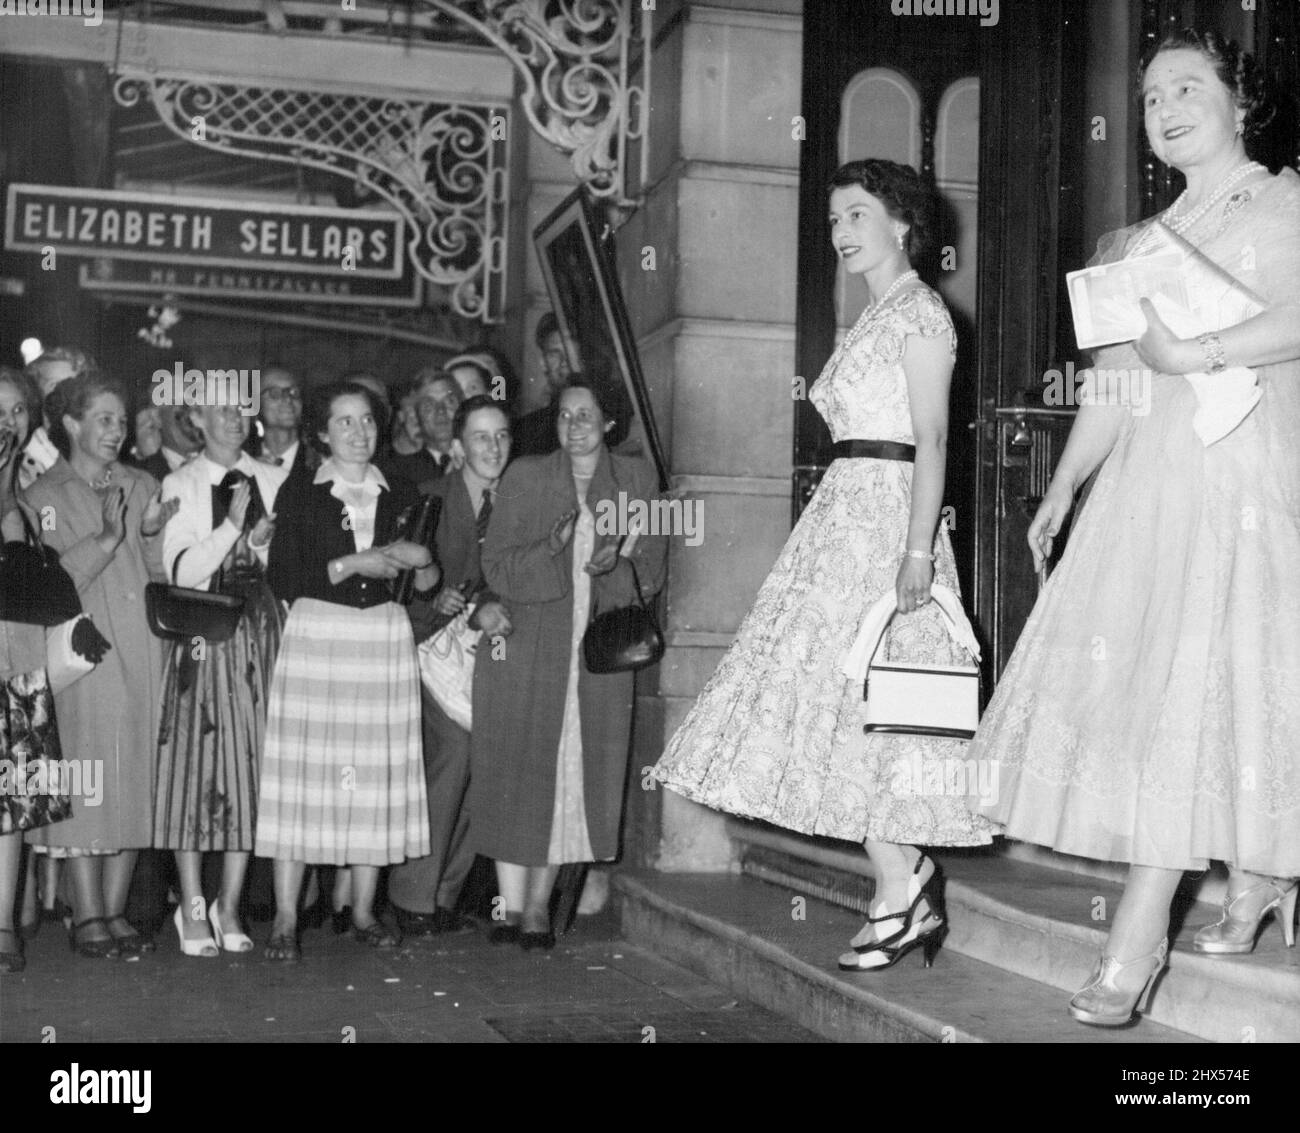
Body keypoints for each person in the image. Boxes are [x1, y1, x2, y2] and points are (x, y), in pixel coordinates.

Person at [965, 29, 1300, 1027]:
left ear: (1241, 104)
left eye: (1188, 88)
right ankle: (1254, 879)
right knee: (1182, 691)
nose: (1165, 107)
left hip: (1246, 474)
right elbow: (1117, 377)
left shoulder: (1284, 204)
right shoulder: (1130, 240)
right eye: (1152, 95)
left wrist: (1190, 349)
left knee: (1221, 681)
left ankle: (1139, 936)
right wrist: (1066, 485)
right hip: (1152, 486)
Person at [655, 158, 995, 970]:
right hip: (843, 520)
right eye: (835, 219)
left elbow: (933, 438)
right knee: (840, 708)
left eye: (855, 215)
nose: (840, 232)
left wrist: (917, 552)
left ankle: (903, 883)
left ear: (901, 223)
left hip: (888, 522)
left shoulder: (921, 314)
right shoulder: (873, 315)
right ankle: (901, 880)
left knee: (875, 706)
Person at [470, 375, 667, 949]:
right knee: (518, 769)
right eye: (564, 415)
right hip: (526, 646)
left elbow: (653, 572)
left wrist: (618, 565)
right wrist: (554, 550)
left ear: (609, 422)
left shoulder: (634, 480)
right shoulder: (526, 477)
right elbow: (497, 568)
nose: (573, 426)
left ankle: (536, 909)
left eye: (586, 415)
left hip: (595, 655)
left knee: (572, 778)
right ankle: (508, 907)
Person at [257, 382, 437, 960]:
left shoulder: (403, 492)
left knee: (373, 776)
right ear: (321, 433)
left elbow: (427, 587)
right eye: (343, 423)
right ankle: (286, 918)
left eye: (365, 422)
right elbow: (284, 577)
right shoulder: (302, 493)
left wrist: (425, 563)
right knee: (304, 780)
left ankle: (361, 909)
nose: (358, 434)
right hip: (319, 640)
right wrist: (353, 562)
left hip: (381, 641)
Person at [24, 372, 175, 958]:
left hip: (140, 647)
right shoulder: (42, 497)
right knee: (86, 778)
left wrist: (152, 538)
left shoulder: (140, 484)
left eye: (121, 419)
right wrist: (110, 540)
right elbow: (50, 584)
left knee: (134, 776)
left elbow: (158, 579)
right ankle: (85, 912)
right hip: (83, 655)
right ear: (70, 424)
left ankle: (113, 911)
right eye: (104, 419)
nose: (117, 430)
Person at [154, 384, 287, 957]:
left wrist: (260, 546)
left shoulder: (275, 478)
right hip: (205, 640)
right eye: (223, 410)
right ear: (198, 420)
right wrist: (233, 528)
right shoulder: (181, 483)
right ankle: (191, 906)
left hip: (260, 640)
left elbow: (288, 562)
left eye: (241, 408)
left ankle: (229, 902)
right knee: (197, 770)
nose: (236, 418)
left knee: (251, 768)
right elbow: (183, 573)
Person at [388, 395, 513, 936]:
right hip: (425, 653)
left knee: (485, 767)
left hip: (486, 656)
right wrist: (431, 595)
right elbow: (397, 578)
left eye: (502, 435)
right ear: (458, 447)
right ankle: (412, 897)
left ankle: (443, 895)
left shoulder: (518, 502)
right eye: (482, 437)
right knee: (453, 758)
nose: (494, 446)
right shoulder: (429, 501)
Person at [0, 367, 75, 974]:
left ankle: (3, 926)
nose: (5, 421)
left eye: (16, 412)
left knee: (12, 805)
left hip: (19, 665)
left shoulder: (29, 500)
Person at [382, 369, 463, 489]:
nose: (440, 411)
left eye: (449, 401)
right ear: (416, 415)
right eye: (429, 405)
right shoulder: (398, 473)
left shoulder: (485, 458)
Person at [512, 313, 573, 457]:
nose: (564, 361)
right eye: (554, 354)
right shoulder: (526, 433)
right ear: (543, 362)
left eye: (571, 350)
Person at [252, 367, 319, 487]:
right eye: (275, 393)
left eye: (294, 392)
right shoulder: (245, 462)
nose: (288, 399)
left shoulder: (318, 463)